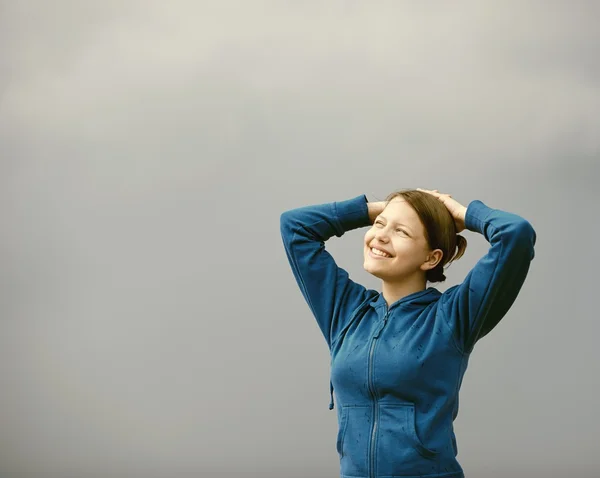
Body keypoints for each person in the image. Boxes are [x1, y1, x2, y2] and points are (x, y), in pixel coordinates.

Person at [279, 188, 536, 478]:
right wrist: (382, 209)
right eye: (379, 225)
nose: (381, 236)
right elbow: (295, 226)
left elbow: (516, 234)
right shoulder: (346, 312)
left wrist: (460, 213)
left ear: (431, 258)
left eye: (401, 231)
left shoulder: (451, 317)